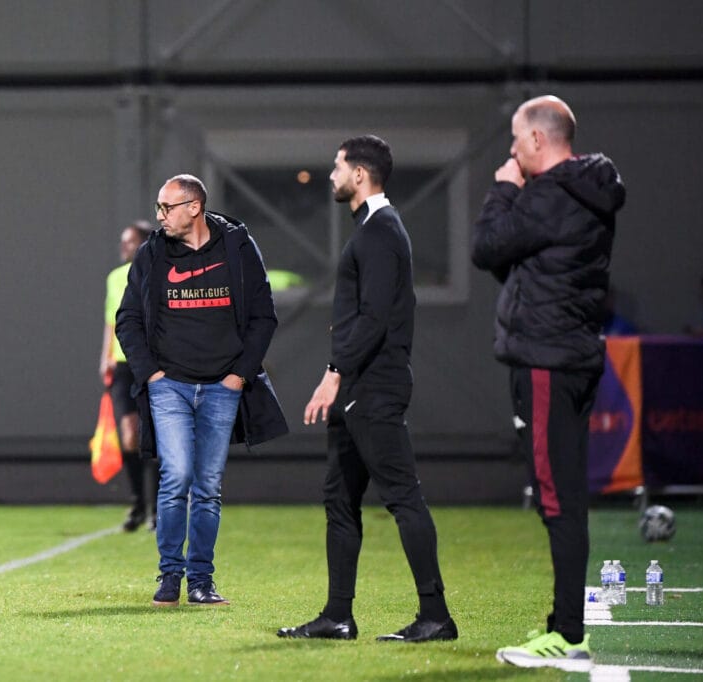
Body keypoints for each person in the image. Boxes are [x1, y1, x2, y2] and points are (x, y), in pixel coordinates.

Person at [277, 136, 457, 643]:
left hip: (372, 388)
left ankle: (436, 616)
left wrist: (333, 373)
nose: (331, 175)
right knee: (339, 499)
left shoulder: (381, 230)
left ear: (359, 174)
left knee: (403, 497)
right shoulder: (372, 229)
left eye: (338, 167)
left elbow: (374, 318)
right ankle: (338, 616)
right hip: (359, 388)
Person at [471, 95, 625, 671]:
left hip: (546, 359)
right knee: (566, 496)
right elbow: (514, 261)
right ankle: (565, 625)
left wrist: (503, 189)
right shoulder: (588, 191)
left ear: (537, 139)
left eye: (516, 140)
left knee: (558, 500)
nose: (512, 152)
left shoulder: (549, 192)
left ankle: (567, 634)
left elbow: (486, 247)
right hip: (573, 356)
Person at [115, 173, 287, 607]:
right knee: (176, 477)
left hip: (222, 387)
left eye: (166, 207)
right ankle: (170, 575)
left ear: (194, 207)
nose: (160, 216)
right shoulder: (152, 252)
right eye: (158, 207)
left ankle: (201, 581)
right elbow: (127, 318)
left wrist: (239, 376)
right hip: (168, 386)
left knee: (208, 486)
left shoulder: (238, 248)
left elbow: (263, 316)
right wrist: (151, 374)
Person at [100, 220, 158, 532]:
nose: (124, 246)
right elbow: (111, 320)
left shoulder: (157, 273)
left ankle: (159, 508)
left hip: (151, 363)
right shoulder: (114, 278)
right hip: (123, 365)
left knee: (156, 436)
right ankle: (138, 503)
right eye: (123, 241)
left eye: (130, 241)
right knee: (130, 435)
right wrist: (105, 356)